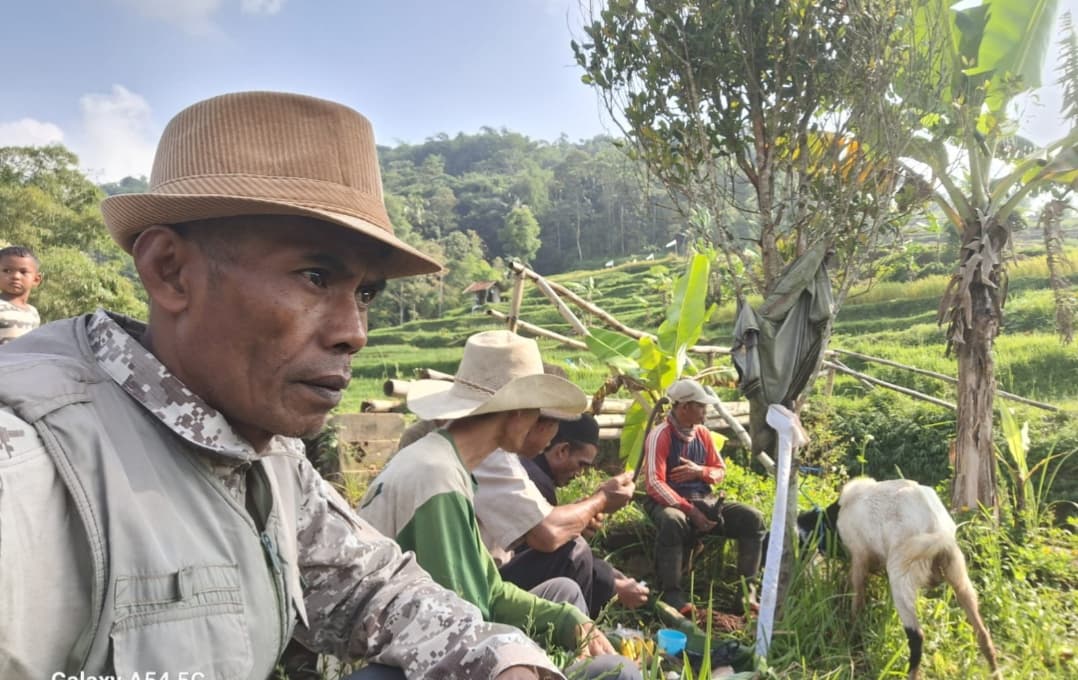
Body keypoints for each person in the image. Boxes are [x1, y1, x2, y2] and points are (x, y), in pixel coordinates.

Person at [0, 91, 564, 680]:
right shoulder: (28, 472)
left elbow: (370, 588)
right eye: (315, 277)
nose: (355, 333)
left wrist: (504, 662)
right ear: (169, 270)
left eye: (366, 294)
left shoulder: (267, 455)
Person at [358, 330, 640, 680]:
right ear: (519, 413)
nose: (543, 426)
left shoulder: (446, 465)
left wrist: (567, 619)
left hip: (427, 641)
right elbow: (464, 618)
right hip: (405, 658)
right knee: (618, 673)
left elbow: (488, 588)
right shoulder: (437, 478)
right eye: (537, 412)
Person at [475, 413, 649, 618]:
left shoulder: (508, 460)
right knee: (576, 552)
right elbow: (548, 535)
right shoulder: (501, 460)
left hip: (489, 577)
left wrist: (581, 516)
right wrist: (602, 499)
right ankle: (577, 637)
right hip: (483, 587)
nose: (548, 440)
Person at [642, 378, 765, 625]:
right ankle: (672, 592)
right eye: (700, 406)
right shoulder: (661, 436)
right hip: (669, 503)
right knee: (673, 521)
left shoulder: (703, 434)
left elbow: (719, 470)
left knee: (752, 519)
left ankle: (745, 592)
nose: (705, 411)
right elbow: (655, 483)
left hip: (702, 499)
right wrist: (689, 511)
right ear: (684, 407)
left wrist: (700, 472)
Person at [0, 245, 43, 345]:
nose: (15, 276)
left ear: (36, 279)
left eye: (23, 272)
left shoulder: (33, 313)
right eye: (7, 271)